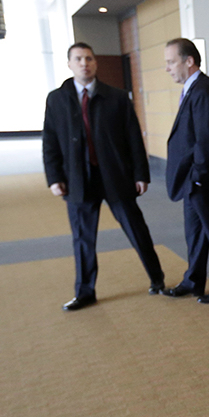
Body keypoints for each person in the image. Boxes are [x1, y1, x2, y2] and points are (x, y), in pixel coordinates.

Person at [41, 42, 166, 311]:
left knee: (137, 230)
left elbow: (133, 138)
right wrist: (54, 177)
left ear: (95, 63)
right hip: (78, 180)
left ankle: (157, 279)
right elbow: (49, 141)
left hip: (115, 176)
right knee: (83, 238)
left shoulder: (117, 97)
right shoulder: (56, 99)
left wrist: (140, 174)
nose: (84, 63)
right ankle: (85, 292)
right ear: (69, 64)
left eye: (89, 58)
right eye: (78, 59)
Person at [161, 37, 209, 304]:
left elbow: (206, 141)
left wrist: (197, 177)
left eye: (171, 62)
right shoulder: (193, 90)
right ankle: (193, 279)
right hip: (192, 180)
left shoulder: (205, 91)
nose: (168, 68)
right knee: (195, 233)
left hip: (203, 179)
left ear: (189, 61)